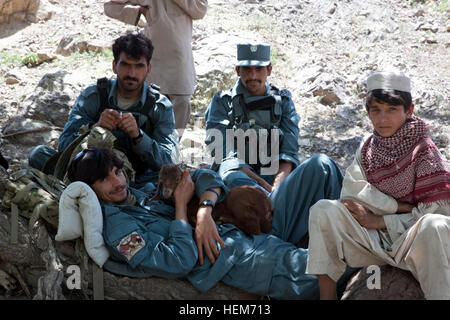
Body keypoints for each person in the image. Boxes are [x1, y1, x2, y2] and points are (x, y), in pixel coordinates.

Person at [66, 147, 354, 299]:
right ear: (90, 189)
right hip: (237, 257)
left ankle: (357, 229)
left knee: (322, 167)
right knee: (346, 263)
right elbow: (177, 261)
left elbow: (204, 177)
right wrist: (180, 205)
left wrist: (204, 210)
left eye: (117, 172)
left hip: (243, 228)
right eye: (105, 179)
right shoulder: (118, 229)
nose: (118, 182)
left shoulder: (137, 194)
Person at [305, 71, 450, 300]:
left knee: (435, 225)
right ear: (368, 112)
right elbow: (353, 196)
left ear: (409, 110)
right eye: (376, 110)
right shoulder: (368, 148)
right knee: (323, 210)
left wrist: (379, 218)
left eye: (392, 110)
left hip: (413, 242)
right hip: (373, 239)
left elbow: (437, 213)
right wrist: (399, 206)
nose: (383, 119)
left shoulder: (424, 151)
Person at [204, 43, 344, 248]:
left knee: (321, 165)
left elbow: (288, 152)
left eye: (258, 69)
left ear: (269, 70)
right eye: (247, 70)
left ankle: (332, 229)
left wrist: (277, 188)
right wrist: (266, 192)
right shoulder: (223, 102)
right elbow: (226, 156)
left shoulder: (283, 101)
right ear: (237, 70)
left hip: (274, 182)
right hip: (244, 181)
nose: (253, 76)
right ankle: (279, 224)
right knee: (230, 174)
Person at [28, 32, 178, 187]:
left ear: (148, 69)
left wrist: (138, 136)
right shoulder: (94, 96)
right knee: (39, 155)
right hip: (89, 173)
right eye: (125, 65)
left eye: (139, 66)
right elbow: (64, 145)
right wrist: (94, 129)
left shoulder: (160, 106)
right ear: (114, 66)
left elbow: (168, 160)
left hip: (137, 179)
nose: (132, 73)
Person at [104, 0, 208, 138]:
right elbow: (110, 6)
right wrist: (139, 12)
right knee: (149, 103)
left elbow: (200, 10)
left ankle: (169, 152)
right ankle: (145, 149)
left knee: (181, 102)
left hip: (180, 57)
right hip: (152, 55)